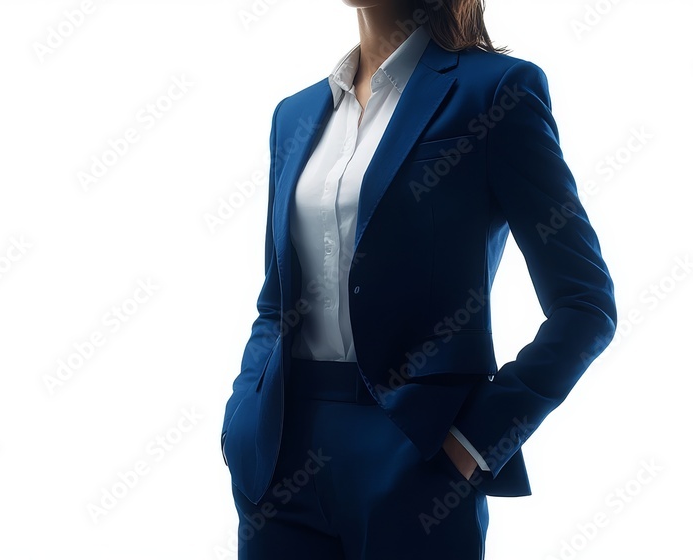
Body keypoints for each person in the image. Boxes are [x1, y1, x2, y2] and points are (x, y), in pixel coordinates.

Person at [219, 1, 617, 558]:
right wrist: (240, 418)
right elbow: (275, 300)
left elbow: (586, 305)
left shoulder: (495, 91)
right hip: (280, 455)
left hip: (419, 458)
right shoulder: (295, 113)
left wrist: (476, 444)